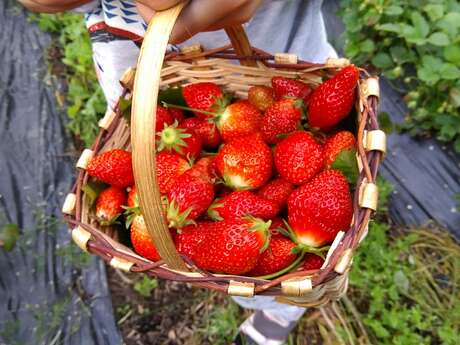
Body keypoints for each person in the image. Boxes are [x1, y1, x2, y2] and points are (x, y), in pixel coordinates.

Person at [19, 1, 337, 344]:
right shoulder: (169, 150)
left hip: (282, 54)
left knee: (281, 273)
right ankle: (253, 295)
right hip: (143, 78)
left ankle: (280, 309)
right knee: (240, 260)